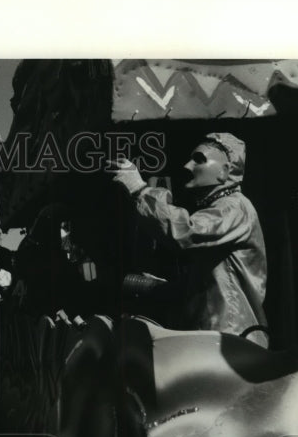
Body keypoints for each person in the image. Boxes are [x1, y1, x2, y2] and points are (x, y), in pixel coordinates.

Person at [109, 132, 269, 347]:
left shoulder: (234, 206)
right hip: (216, 339)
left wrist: (140, 189)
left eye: (199, 159)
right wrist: (162, 287)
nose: (187, 166)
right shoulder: (222, 208)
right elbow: (214, 285)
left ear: (226, 171)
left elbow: (185, 232)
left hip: (229, 341)